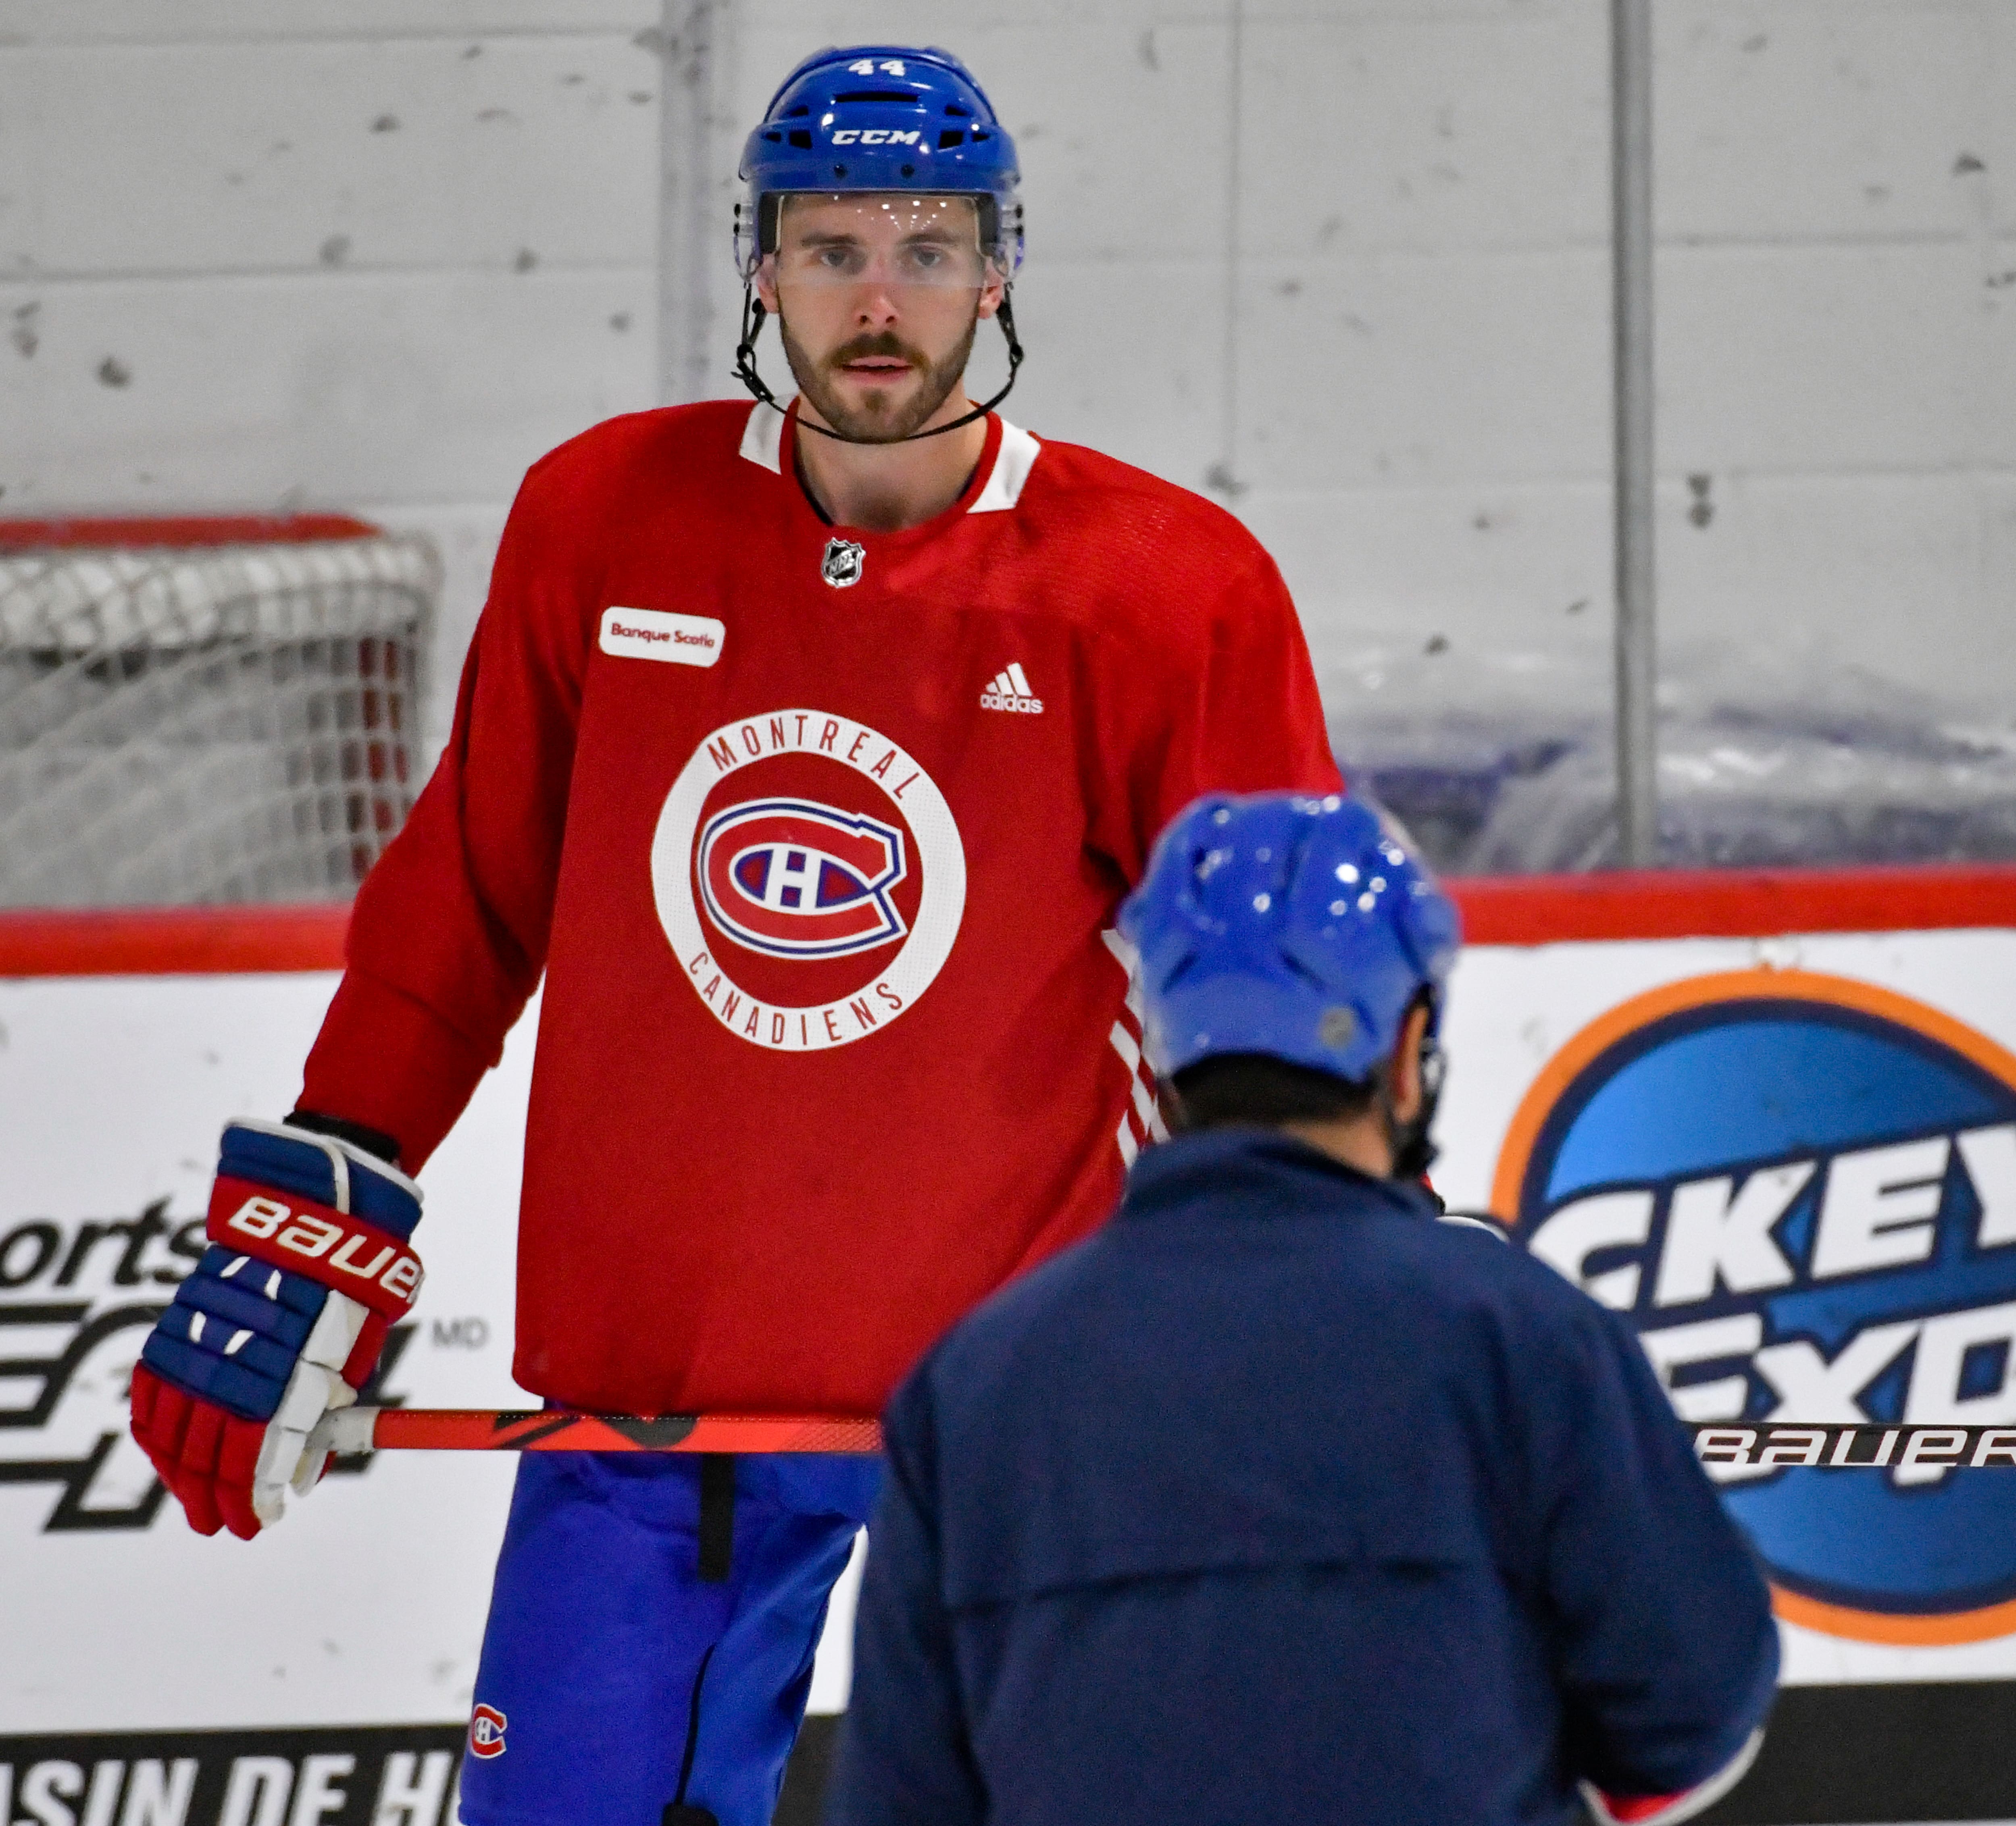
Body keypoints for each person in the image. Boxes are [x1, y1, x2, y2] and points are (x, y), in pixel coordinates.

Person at [125, 44, 1341, 1826]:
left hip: (1029, 1416)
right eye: (831, 246)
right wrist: (337, 1167)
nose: (879, 300)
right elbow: (470, 893)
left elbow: (1274, 976)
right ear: (759, 266)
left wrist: (1320, 1249)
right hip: (653, 1416)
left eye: (927, 250)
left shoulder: (1163, 586)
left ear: (998, 271)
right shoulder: (603, 520)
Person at [827, 790, 1781, 1826]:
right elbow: (1689, 1706)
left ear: (1169, 1055)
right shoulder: (1527, 1340)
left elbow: (900, 1799)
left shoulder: (974, 1387)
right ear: (1408, 1051)